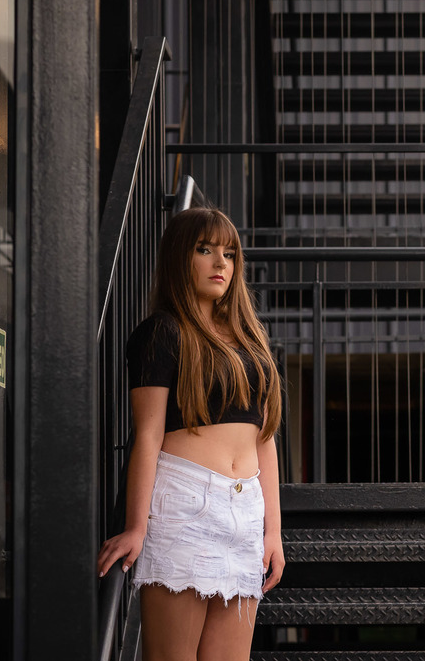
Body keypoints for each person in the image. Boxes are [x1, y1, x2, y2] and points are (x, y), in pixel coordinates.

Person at [97, 207, 285, 661]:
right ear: (182, 258)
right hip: (185, 503)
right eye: (205, 250)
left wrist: (273, 532)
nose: (221, 263)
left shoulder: (250, 340)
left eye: (229, 253)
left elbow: (265, 439)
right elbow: (148, 436)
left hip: (245, 512)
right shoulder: (161, 333)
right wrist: (136, 527)